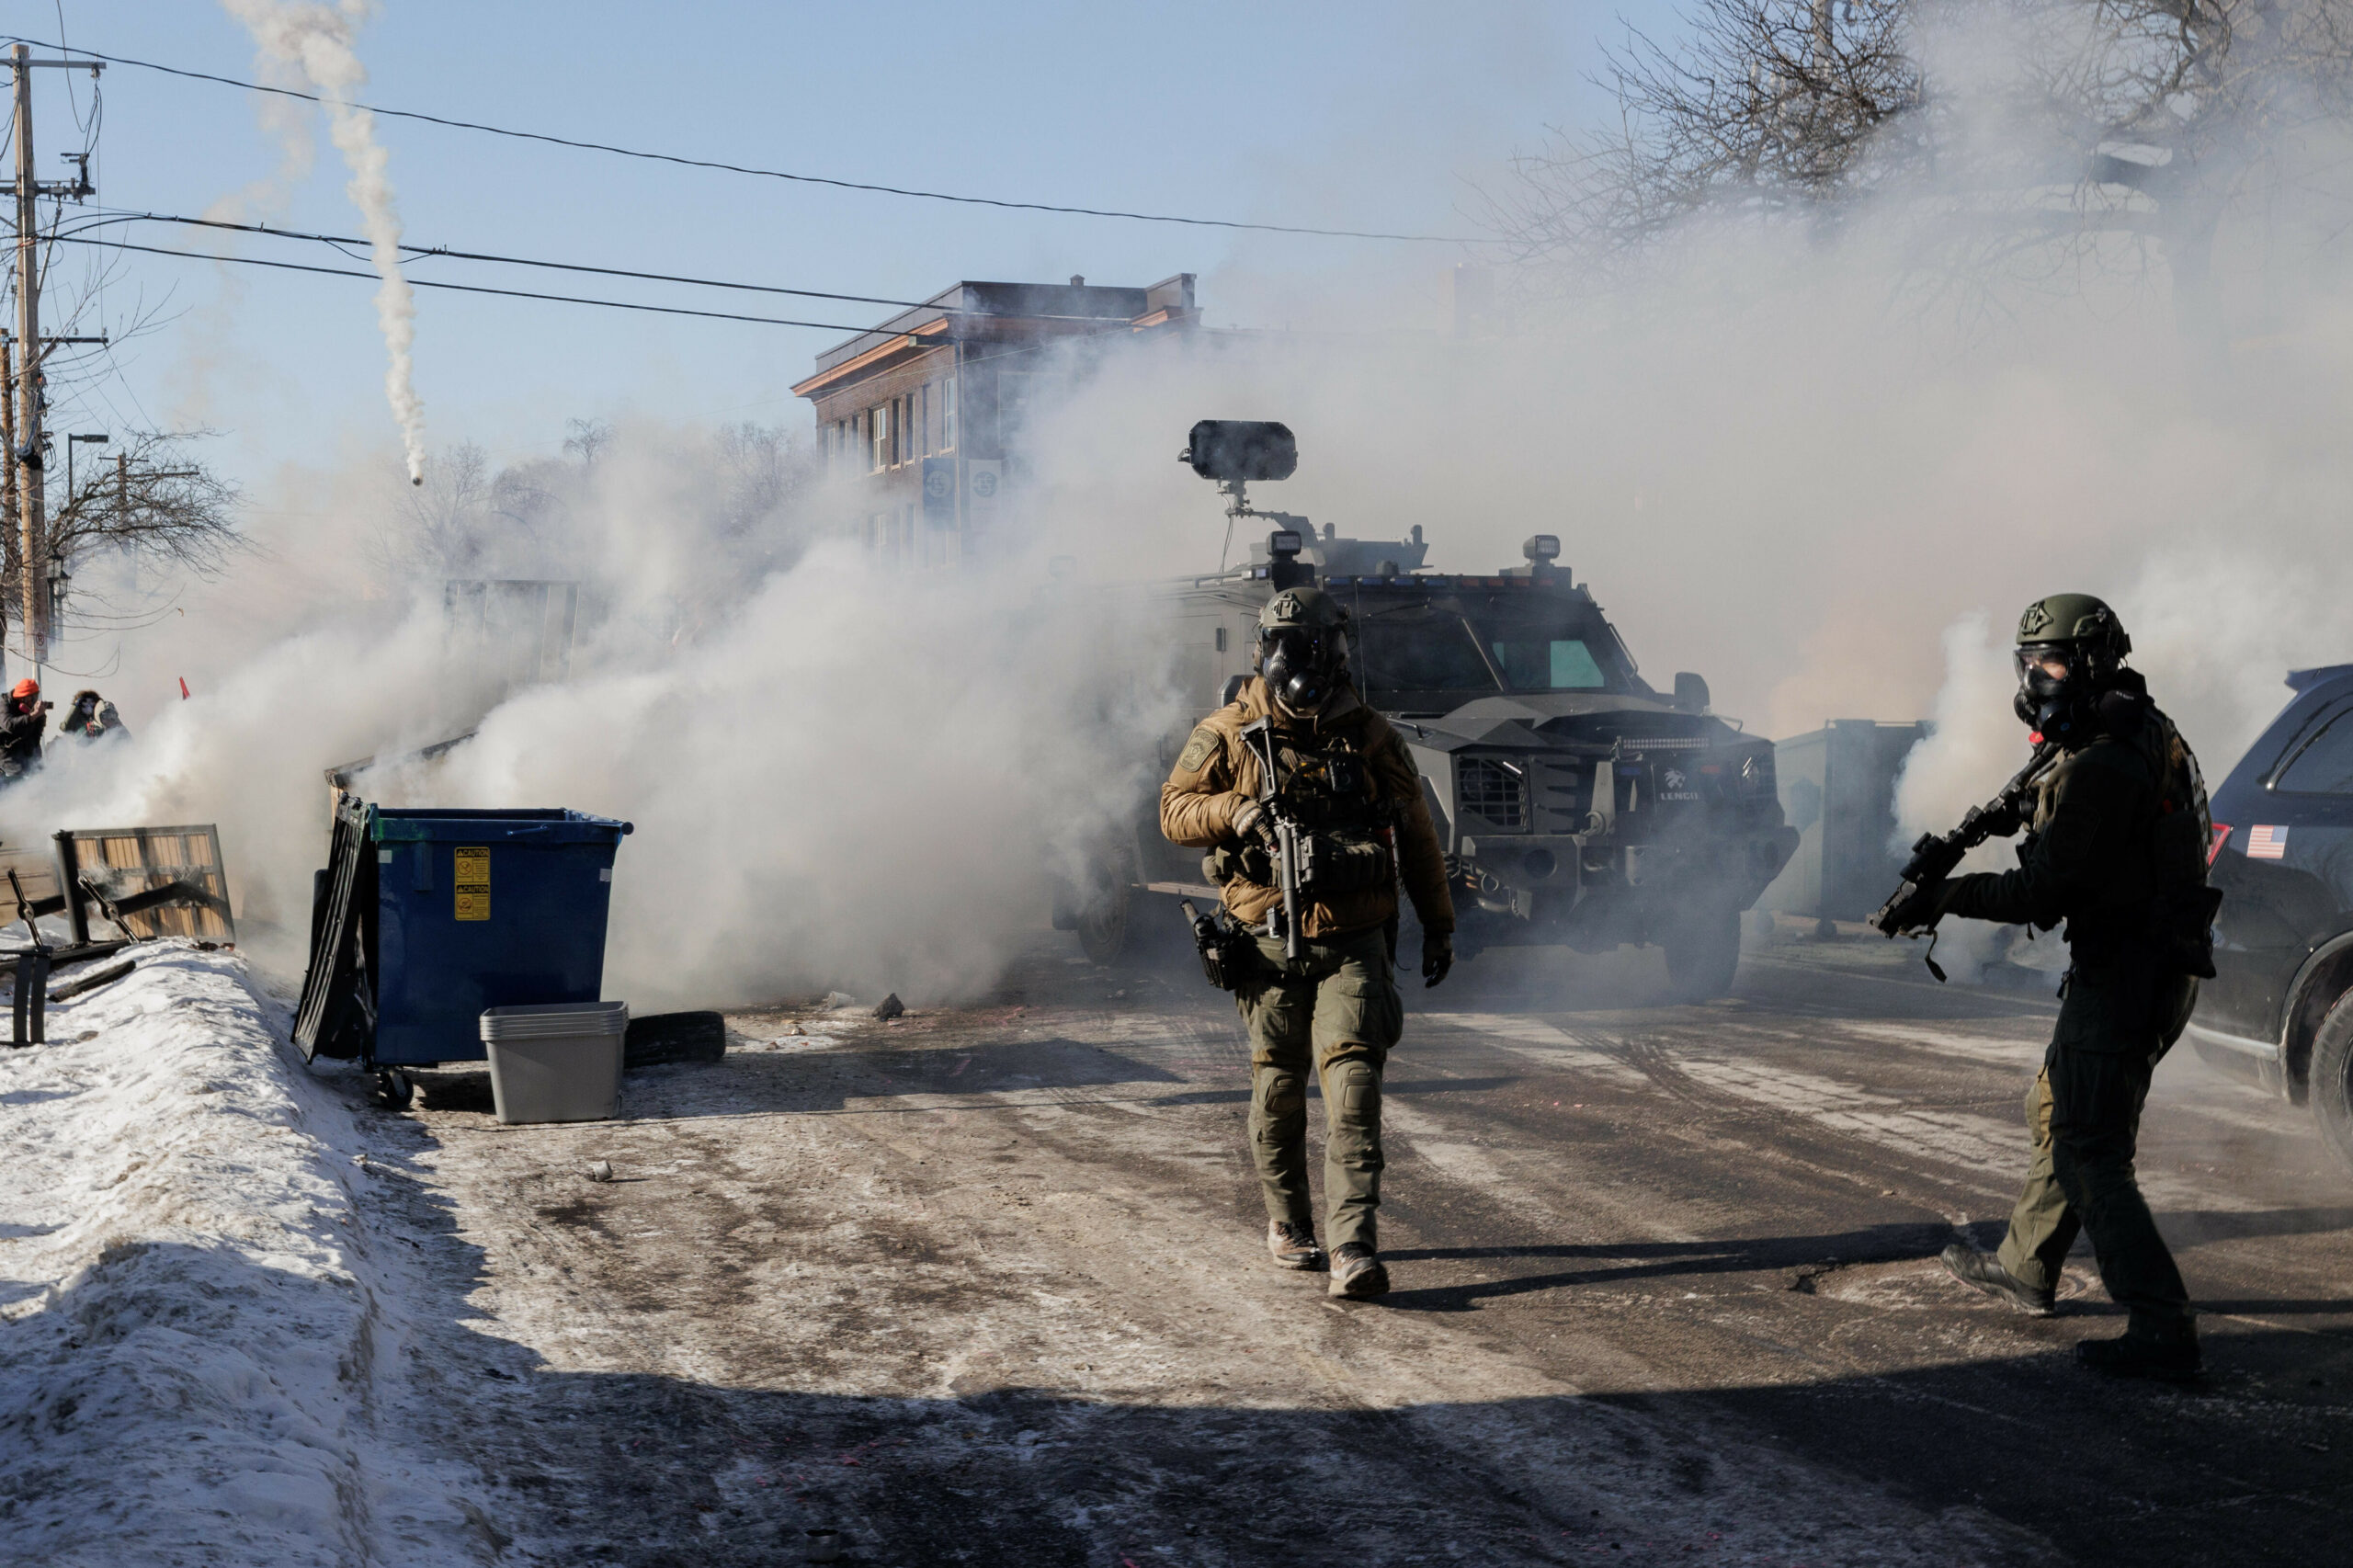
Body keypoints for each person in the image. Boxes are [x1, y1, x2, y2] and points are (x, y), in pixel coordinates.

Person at [1885, 594, 2210, 1381]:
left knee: (2091, 1150)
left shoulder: (2104, 762)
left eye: (2051, 663)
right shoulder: (2137, 727)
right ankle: (2028, 1264)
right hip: (2148, 963)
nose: (2036, 678)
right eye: (2028, 664)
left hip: (2127, 971)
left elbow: (2042, 893)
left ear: (2092, 664)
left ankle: (2162, 1326)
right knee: (2056, 1108)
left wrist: (1946, 896)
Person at [1160, 585, 1457, 1299]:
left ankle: (1354, 1245)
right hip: (1265, 940)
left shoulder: (1372, 735)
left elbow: (1418, 836)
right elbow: (1174, 810)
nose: (1304, 664)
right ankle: (1289, 1222)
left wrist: (1439, 921)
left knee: (1354, 1088)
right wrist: (1236, 810)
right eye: (1290, 647)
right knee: (1278, 1090)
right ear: (1266, 652)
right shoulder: (1229, 732)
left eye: (1318, 646)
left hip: (1354, 938)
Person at [0, 678, 51, 781]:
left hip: (29, 750)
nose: (34, 701)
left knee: (42, 780)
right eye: (32, 698)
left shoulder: (31, 709)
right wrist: (32, 716)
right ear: (22, 698)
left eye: (36, 697)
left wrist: (40, 716)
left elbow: (37, 735)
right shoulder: (5, 704)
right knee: (20, 782)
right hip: (9, 754)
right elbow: (10, 725)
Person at [56, 688, 129, 745]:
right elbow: (67, 728)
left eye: (112, 716)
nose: (109, 719)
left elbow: (130, 748)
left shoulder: (119, 730)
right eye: (105, 716)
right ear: (99, 716)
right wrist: (76, 706)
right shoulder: (88, 730)